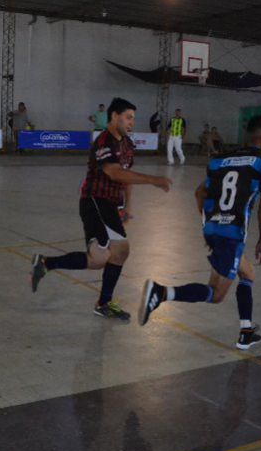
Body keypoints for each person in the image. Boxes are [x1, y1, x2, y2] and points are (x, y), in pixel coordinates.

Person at [138, 115, 261, 350]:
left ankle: (246, 330)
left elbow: (198, 193)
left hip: (214, 228)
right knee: (215, 295)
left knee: (248, 273)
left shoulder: (220, 160)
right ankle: (161, 293)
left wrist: (209, 223)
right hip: (231, 234)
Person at [30, 97, 173, 320]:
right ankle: (103, 302)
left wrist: (127, 206)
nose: (131, 123)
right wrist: (153, 180)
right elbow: (114, 172)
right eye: (128, 117)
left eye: (133, 119)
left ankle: (46, 263)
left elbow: (126, 178)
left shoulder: (127, 143)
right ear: (114, 116)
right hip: (94, 201)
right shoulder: (104, 142)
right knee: (118, 251)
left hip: (110, 204)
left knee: (99, 259)